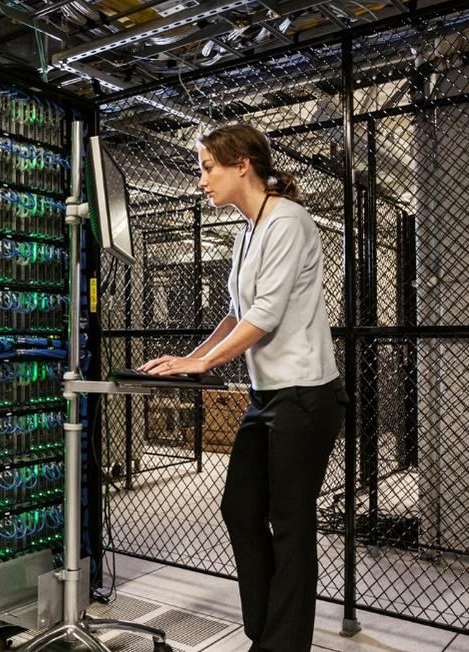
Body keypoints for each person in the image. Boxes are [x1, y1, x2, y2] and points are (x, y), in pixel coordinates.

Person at [138, 124, 346, 652]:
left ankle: (281, 644)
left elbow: (267, 317)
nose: (202, 180)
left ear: (241, 167)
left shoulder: (288, 221)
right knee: (239, 507)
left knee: (291, 523)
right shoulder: (246, 230)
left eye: (208, 168)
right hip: (266, 396)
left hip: (304, 397)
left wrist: (202, 363)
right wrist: (191, 358)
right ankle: (267, 631)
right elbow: (237, 313)